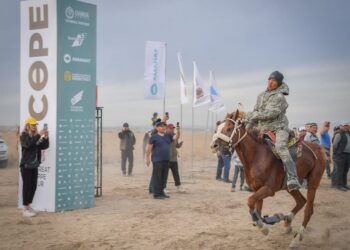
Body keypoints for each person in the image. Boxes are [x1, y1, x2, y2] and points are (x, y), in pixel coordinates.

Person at [241, 71, 301, 191]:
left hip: (279, 128)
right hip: (263, 128)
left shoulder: (279, 97)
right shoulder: (261, 95)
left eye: (274, 81)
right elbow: (256, 112)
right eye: (269, 79)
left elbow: (269, 114)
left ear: (279, 84)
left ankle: (292, 178)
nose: (271, 82)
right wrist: (247, 127)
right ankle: (252, 180)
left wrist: (246, 115)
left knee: (280, 148)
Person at [20, 117, 49, 217]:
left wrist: (46, 138)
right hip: (26, 166)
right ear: (28, 125)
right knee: (27, 186)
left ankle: (28, 205)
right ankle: (24, 208)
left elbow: (44, 146)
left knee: (33, 186)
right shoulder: (23, 136)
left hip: (34, 166)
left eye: (35, 125)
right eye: (33, 125)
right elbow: (28, 145)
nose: (35, 126)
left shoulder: (35, 137)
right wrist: (38, 135)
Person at [145, 120, 180, 199]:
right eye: (161, 126)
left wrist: (178, 131)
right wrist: (147, 158)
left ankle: (162, 192)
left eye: (164, 126)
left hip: (166, 159)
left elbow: (176, 137)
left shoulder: (168, 136)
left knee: (164, 177)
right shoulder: (154, 137)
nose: (163, 127)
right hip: (157, 160)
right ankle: (156, 194)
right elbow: (149, 149)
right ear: (157, 128)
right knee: (157, 177)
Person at [163, 123, 185, 193]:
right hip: (167, 158)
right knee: (165, 174)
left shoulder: (174, 136)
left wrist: (180, 144)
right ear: (167, 128)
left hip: (174, 158)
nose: (172, 129)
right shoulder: (164, 136)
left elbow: (177, 145)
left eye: (173, 128)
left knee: (176, 173)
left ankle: (178, 187)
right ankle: (164, 188)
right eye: (171, 128)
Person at [332, 123, 350, 191]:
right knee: (340, 170)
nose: (345, 127)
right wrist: (336, 153)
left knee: (345, 170)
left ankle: (344, 184)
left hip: (347, 155)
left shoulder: (348, 134)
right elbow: (334, 145)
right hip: (340, 155)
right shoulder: (339, 134)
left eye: (346, 126)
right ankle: (338, 185)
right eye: (344, 126)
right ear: (340, 126)